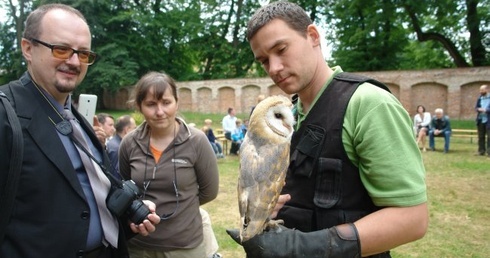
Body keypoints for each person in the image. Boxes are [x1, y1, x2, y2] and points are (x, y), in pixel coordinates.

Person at [226, 2, 428, 257]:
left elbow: (412, 219)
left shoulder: (369, 104)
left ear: (312, 36)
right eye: (264, 60)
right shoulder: (287, 115)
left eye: (281, 49)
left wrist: (301, 248)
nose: (274, 68)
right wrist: (266, 211)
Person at [0, 4, 160, 258]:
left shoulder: (76, 117)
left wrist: (126, 220)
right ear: (27, 48)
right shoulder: (5, 114)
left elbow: (81, 197)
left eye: (83, 54)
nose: (74, 62)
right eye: (61, 49)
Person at [118, 71, 219, 257]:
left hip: (184, 246)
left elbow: (209, 191)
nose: (159, 112)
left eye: (166, 102)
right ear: (139, 107)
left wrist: (181, 206)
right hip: (138, 245)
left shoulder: (197, 141)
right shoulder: (129, 143)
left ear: (177, 102)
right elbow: (125, 188)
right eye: (150, 104)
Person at [475, 84, 490, 156]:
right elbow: (476, 107)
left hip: (488, 120)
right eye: (480, 90)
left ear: (487, 90)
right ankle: (481, 151)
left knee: (489, 136)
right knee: (481, 136)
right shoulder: (479, 98)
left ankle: (489, 152)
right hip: (480, 119)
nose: (480, 91)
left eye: (482, 90)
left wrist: (486, 110)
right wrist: (478, 109)